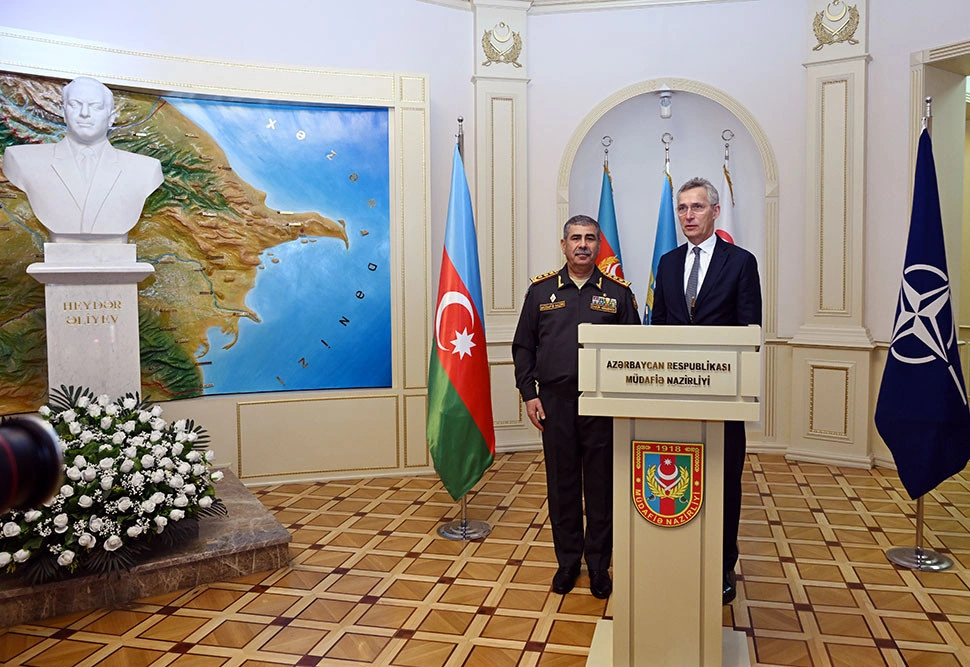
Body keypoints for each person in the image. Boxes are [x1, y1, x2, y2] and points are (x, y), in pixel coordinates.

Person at [512, 214, 640, 599]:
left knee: (602, 488)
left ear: (598, 245)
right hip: (556, 404)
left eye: (589, 238)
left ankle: (599, 565)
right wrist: (529, 394)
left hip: (603, 406)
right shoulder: (541, 292)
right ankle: (567, 562)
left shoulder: (618, 294)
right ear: (564, 244)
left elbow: (635, 350)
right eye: (575, 238)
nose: (582, 245)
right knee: (562, 485)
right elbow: (523, 347)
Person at [651, 177, 762, 605]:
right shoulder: (668, 262)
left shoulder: (741, 262)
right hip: (675, 397)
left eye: (696, 207)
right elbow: (660, 326)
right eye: (682, 208)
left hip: (723, 397)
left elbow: (749, 330)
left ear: (716, 212)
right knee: (682, 479)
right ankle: (680, 557)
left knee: (724, 481)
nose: (688, 216)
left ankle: (722, 565)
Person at [2, 76, 163, 242]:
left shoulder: (145, 170)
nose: (84, 113)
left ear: (111, 117)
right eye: (75, 104)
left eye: (95, 106)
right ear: (64, 112)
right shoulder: (23, 161)